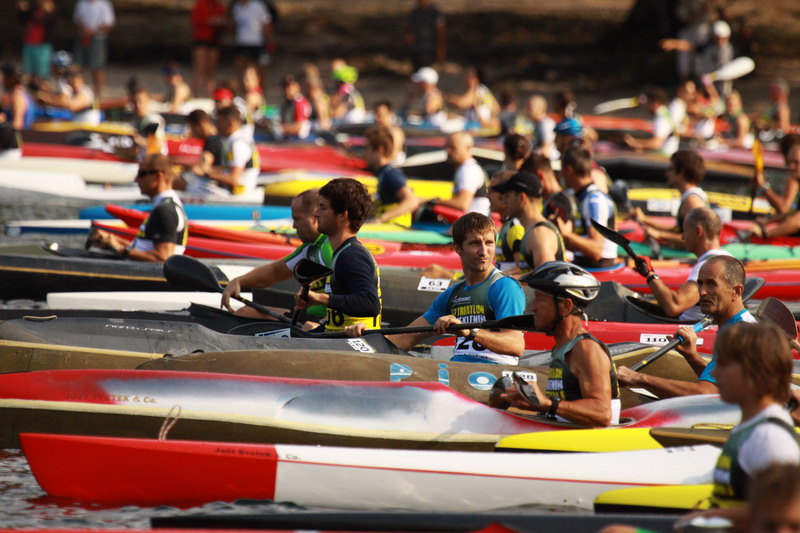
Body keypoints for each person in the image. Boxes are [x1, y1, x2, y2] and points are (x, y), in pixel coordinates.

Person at [346, 212, 525, 364]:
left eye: (489, 243)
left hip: (492, 376)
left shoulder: (504, 287)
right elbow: (403, 340)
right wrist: (365, 338)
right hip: (458, 374)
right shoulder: (452, 295)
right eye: (475, 243)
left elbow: (516, 346)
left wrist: (469, 331)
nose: (483, 251)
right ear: (458, 248)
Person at [680, 322, 800, 527]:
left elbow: (786, 516)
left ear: (757, 372)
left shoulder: (771, 438)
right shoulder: (752, 427)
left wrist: (708, 518)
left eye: (724, 365)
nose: (715, 375)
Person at [616, 255, 757, 399]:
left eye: (711, 284)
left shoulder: (736, 335)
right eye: (700, 284)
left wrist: (639, 379)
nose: (702, 292)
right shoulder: (736, 326)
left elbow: (706, 394)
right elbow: (722, 384)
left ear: (737, 291)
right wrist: (692, 356)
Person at [499, 262, 621, 427]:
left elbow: (602, 413)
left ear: (565, 307)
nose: (532, 307)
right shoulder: (562, 347)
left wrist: (548, 404)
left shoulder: (586, 349)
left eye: (540, 300)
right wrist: (530, 404)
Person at [221, 189, 333, 324]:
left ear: (315, 216)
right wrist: (238, 281)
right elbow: (275, 272)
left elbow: (354, 294)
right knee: (245, 312)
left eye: (297, 219)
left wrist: (323, 325)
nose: (293, 225)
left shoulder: (329, 247)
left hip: (324, 322)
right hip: (306, 317)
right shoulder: (310, 248)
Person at [293, 178, 381, 333]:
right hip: (337, 340)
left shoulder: (351, 256)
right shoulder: (342, 253)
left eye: (323, 208)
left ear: (342, 215)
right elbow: (337, 321)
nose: (316, 213)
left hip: (352, 347)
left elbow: (370, 304)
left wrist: (321, 298)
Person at [88, 154, 187, 262]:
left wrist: (121, 249)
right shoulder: (166, 205)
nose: (136, 179)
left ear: (158, 176)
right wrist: (112, 240)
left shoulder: (165, 210)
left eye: (141, 174)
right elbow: (143, 249)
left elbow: (162, 258)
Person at [637, 207, 731, 320]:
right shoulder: (729, 258)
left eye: (685, 231)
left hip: (687, 330)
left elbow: (674, 306)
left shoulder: (707, 267)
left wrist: (650, 275)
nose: (682, 237)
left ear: (698, 232)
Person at [555, 146, 618, 268]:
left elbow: (596, 250)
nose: (560, 174)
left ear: (569, 170)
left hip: (598, 269)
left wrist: (567, 235)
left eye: (562, 170)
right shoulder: (582, 197)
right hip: (583, 265)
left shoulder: (594, 200)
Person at [492, 171, 565, 275]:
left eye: (508, 196)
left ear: (522, 198)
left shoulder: (539, 234)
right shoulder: (532, 231)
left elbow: (545, 283)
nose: (504, 201)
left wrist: (499, 280)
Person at [632, 150, 709, 247]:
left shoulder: (692, 201)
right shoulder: (689, 197)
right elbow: (677, 230)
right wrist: (645, 220)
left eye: (670, 169)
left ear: (681, 173)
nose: (666, 174)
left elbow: (697, 239)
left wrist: (660, 235)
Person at [186, 105, 260, 198]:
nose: (216, 126)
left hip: (237, 195)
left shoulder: (237, 145)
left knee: (185, 184)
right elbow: (228, 170)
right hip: (237, 191)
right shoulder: (239, 140)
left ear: (230, 123)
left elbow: (233, 180)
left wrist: (207, 173)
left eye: (219, 122)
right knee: (192, 181)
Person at [363, 126, 419, 226]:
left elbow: (412, 201)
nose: (364, 153)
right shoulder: (382, 173)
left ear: (380, 149)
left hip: (395, 231)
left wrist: (380, 219)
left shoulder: (390, 174)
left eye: (367, 148)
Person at [430, 131, 490, 216]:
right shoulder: (466, 167)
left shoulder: (468, 170)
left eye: (452, 147)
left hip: (473, 225)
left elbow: (463, 204)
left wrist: (433, 202)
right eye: (446, 147)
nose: (448, 151)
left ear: (468, 148)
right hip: (471, 221)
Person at [229, 0, 273, 96]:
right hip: (242, 43)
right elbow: (234, 25)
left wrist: (269, 40)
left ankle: (261, 95)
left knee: (259, 71)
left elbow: (266, 23)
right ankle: (243, 94)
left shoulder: (258, 6)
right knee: (242, 70)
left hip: (256, 43)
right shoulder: (236, 7)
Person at [72, 0, 115, 100]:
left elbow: (109, 24)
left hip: (97, 38)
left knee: (97, 67)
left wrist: (94, 31)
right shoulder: (81, 3)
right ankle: (77, 91)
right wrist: (85, 29)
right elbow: (76, 21)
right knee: (78, 66)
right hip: (82, 37)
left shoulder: (104, 4)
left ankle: (98, 94)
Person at [624, 87, 679, 156]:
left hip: (664, 155)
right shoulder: (665, 112)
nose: (645, 107)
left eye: (646, 102)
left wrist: (635, 142)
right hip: (667, 154)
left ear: (655, 101)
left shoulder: (661, 117)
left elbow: (657, 143)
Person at [176, 108, 223, 189]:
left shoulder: (212, 141)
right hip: (214, 183)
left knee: (172, 182)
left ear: (201, 124)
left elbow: (202, 168)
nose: (192, 132)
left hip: (212, 187)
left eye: (192, 127)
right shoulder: (218, 137)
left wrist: (175, 161)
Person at [35, 66, 100, 124]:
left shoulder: (85, 92)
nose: (73, 81)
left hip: (88, 126)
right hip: (78, 123)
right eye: (72, 78)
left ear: (81, 80)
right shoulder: (73, 91)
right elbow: (63, 101)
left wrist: (49, 100)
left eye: (76, 79)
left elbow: (72, 106)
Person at [445, 66, 500, 130]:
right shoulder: (485, 90)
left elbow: (462, 103)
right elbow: (497, 109)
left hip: (476, 125)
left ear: (474, 78)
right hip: (485, 124)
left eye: (466, 77)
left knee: (446, 122)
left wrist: (446, 98)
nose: (464, 79)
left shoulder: (474, 90)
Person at [190, 0, 226, 98]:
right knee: (199, 70)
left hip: (214, 40)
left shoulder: (219, 6)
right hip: (201, 40)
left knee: (210, 73)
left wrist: (220, 22)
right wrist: (211, 20)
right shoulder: (201, 3)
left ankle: (208, 96)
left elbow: (224, 23)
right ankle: (195, 96)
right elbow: (195, 20)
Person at [17, 0, 55, 84]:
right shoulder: (33, 10)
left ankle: (43, 94)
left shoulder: (50, 12)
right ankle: (30, 93)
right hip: (29, 44)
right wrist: (21, 9)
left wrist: (48, 12)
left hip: (42, 46)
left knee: (42, 73)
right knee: (28, 72)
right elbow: (23, 19)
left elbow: (49, 22)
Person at [404, 0, 446, 71]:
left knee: (427, 72)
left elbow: (441, 31)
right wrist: (408, 36)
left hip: (429, 48)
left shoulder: (434, 13)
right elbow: (407, 28)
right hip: (416, 48)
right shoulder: (414, 13)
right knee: (417, 73)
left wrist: (441, 48)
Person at [514, 95, 557, 160]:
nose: (526, 110)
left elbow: (545, 151)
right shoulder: (536, 123)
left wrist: (524, 155)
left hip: (547, 163)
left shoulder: (546, 124)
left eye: (530, 108)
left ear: (539, 109)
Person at [1, 64, 35, 131]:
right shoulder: (22, 91)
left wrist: (3, 122)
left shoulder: (17, 97)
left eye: (4, 77)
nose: (2, 81)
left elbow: (17, 125)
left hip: (21, 139)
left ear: (11, 78)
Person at [279, 74, 311, 140]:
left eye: (289, 88)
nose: (286, 91)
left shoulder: (299, 102)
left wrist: (280, 128)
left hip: (299, 140)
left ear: (297, 87)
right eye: (285, 88)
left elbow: (298, 127)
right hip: (288, 138)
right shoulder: (287, 103)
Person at [373, 100, 406, 165]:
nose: (377, 118)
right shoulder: (374, 131)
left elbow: (393, 155)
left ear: (389, 114)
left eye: (380, 115)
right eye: (375, 114)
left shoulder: (396, 133)